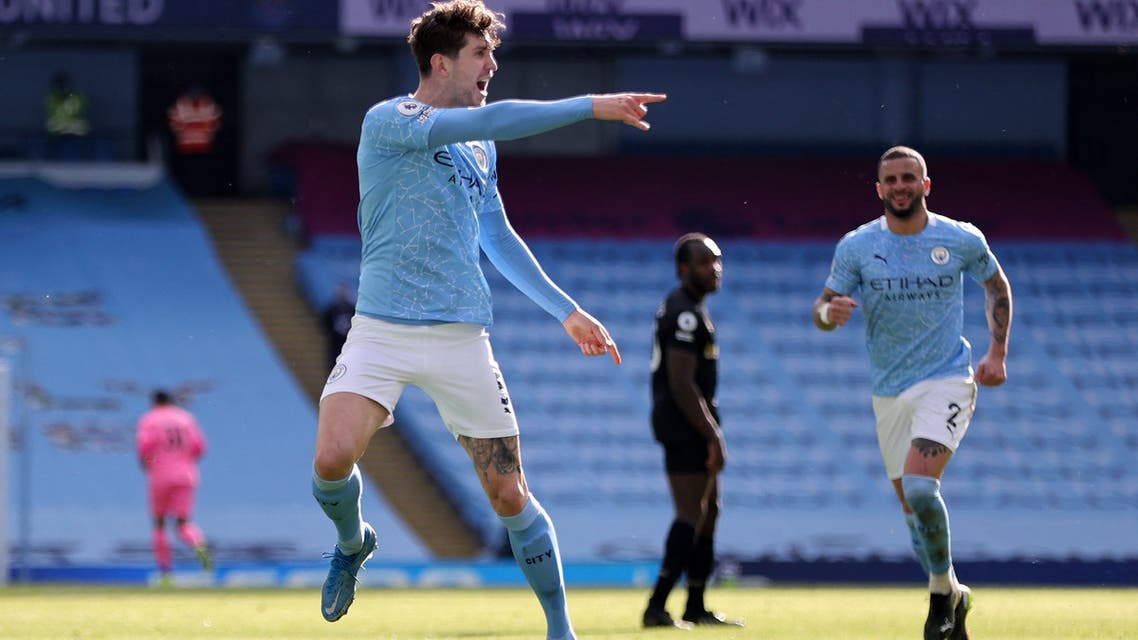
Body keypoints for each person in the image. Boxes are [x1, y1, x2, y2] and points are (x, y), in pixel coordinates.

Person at [309, 2, 664, 638]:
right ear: (440, 62)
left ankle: (560, 628)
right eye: (481, 54)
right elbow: (502, 115)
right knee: (332, 459)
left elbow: (495, 235)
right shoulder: (390, 120)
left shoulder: (480, 142)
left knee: (508, 494)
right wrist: (591, 104)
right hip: (381, 330)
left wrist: (567, 310)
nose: (493, 65)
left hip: (460, 336)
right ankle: (352, 539)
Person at [812, 145, 1013, 640]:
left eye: (909, 178)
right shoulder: (857, 246)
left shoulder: (959, 238)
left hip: (947, 378)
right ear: (879, 190)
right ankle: (953, 590)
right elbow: (822, 308)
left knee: (923, 488)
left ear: (926, 185)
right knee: (913, 514)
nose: (900, 186)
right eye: (891, 180)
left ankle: (940, 597)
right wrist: (828, 315)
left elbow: (996, 286)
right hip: (889, 391)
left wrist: (997, 353)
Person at [643, 233, 743, 629]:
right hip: (683, 423)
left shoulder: (691, 308)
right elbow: (682, 383)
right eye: (704, 262)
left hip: (691, 421)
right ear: (683, 268)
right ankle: (657, 606)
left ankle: (696, 605)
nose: (714, 268)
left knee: (709, 511)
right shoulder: (684, 312)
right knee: (690, 512)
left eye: (717, 260)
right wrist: (712, 434)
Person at [136, 390, 212, 580]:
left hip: (160, 475)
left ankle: (165, 573)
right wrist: (185, 462)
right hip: (187, 475)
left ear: (154, 402)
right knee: (183, 523)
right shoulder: (186, 418)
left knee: (159, 524)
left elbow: (145, 447)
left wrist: (147, 466)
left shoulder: (150, 419)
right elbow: (200, 447)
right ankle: (198, 543)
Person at [321, 283, 356, 372]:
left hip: (348, 342)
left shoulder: (352, 309)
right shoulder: (332, 309)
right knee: (333, 364)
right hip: (335, 342)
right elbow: (325, 323)